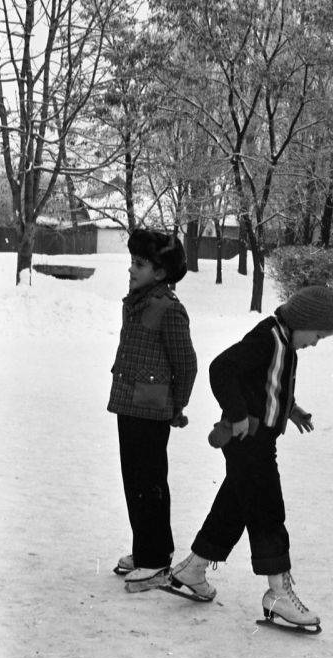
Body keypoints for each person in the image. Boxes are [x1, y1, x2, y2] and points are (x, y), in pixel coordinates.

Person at [170, 285, 333, 630]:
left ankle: (194, 567)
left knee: (235, 505)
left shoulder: (284, 340)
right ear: (302, 321)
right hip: (247, 437)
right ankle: (278, 591)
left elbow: (267, 384)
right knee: (266, 507)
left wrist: (290, 410)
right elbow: (222, 368)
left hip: (259, 438)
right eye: (317, 335)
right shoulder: (267, 337)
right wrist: (236, 413)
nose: (315, 343)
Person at [108, 229, 197, 593]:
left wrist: (178, 406)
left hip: (152, 410)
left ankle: (156, 559)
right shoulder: (138, 301)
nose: (131, 269)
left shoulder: (168, 309)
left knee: (150, 484)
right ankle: (144, 549)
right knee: (135, 482)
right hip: (130, 405)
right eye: (132, 262)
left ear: (161, 272)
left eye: (139, 264)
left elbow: (186, 364)